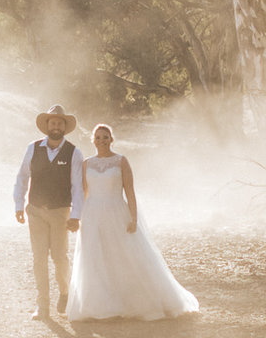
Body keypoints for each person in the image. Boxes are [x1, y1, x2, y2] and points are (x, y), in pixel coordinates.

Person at [70, 123, 198, 322]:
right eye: (98, 137)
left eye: (105, 137)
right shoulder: (86, 163)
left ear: (111, 139)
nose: (101, 141)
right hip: (92, 213)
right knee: (94, 256)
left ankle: (133, 300)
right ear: (93, 140)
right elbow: (83, 193)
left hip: (116, 211)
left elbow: (129, 191)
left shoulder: (121, 161)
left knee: (123, 254)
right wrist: (77, 216)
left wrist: (133, 217)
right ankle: (100, 304)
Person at [13, 104, 81, 320]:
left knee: (60, 257)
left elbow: (77, 186)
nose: (56, 126)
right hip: (35, 211)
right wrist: (18, 205)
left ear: (64, 127)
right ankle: (42, 307)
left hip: (60, 211)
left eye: (60, 123)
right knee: (38, 258)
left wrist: (76, 215)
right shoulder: (33, 148)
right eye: (52, 122)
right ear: (46, 125)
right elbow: (22, 177)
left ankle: (65, 292)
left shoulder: (73, 152)